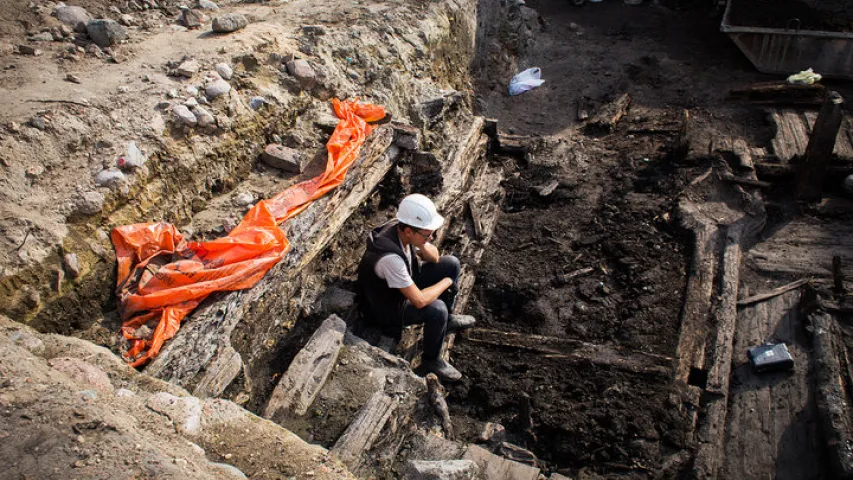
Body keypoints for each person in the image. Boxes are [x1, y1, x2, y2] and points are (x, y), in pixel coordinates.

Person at [357, 194, 476, 381]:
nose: (432, 237)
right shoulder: (390, 259)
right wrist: (446, 283)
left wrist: (425, 245)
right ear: (409, 232)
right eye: (427, 234)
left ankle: (447, 321)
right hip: (388, 308)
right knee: (437, 309)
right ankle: (431, 361)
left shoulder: (403, 228)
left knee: (451, 264)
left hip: (401, 288)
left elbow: (435, 258)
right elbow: (419, 300)